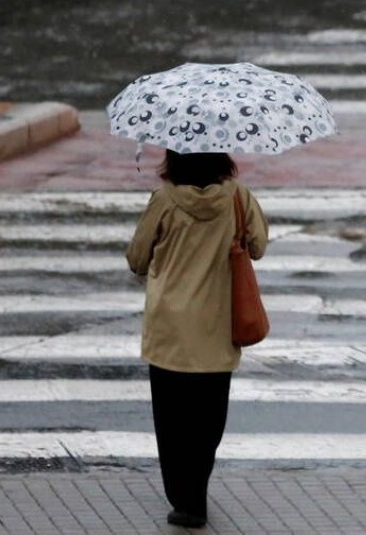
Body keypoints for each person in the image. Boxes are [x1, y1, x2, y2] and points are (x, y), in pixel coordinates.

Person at [126, 150, 269, 530]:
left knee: (171, 421)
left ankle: (185, 500)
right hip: (218, 327)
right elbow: (258, 246)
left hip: (169, 329)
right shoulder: (238, 196)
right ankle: (195, 492)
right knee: (208, 420)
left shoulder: (165, 200)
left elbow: (137, 258)